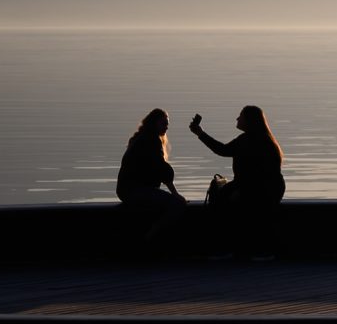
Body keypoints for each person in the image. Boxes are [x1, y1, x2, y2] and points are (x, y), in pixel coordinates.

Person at [189, 104, 285, 260]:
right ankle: (233, 247)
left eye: (241, 116)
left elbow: (258, 175)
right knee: (223, 195)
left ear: (249, 120)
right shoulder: (254, 138)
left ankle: (232, 248)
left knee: (225, 201)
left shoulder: (253, 140)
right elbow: (224, 150)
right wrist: (200, 133)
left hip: (262, 188)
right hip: (261, 185)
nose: (237, 118)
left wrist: (242, 191)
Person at [114, 108, 184, 248]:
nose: (166, 127)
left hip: (125, 190)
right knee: (176, 205)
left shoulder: (139, 138)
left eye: (167, 124)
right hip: (135, 191)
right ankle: (149, 237)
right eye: (163, 123)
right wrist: (175, 195)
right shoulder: (151, 141)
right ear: (153, 124)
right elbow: (163, 171)